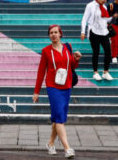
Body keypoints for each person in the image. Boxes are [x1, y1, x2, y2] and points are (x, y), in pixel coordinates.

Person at [32, 25, 81, 158]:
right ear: (49, 36)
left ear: (60, 34)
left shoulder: (68, 47)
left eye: (56, 32)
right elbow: (41, 72)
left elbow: (72, 66)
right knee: (59, 117)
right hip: (53, 87)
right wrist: (36, 92)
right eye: (51, 33)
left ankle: (50, 143)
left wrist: (76, 60)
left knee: (57, 117)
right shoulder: (46, 51)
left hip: (66, 86)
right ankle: (67, 149)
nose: (53, 34)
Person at [80, 0, 114, 81]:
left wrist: (112, 15)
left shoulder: (104, 7)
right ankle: (95, 72)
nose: (105, 1)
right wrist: (83, 32)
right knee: (96, 52)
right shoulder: (90, 6)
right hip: (94, 31)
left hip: (104, 31)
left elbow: (106, 20)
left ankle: (105, 72)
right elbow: (84, 19)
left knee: (108, 51)